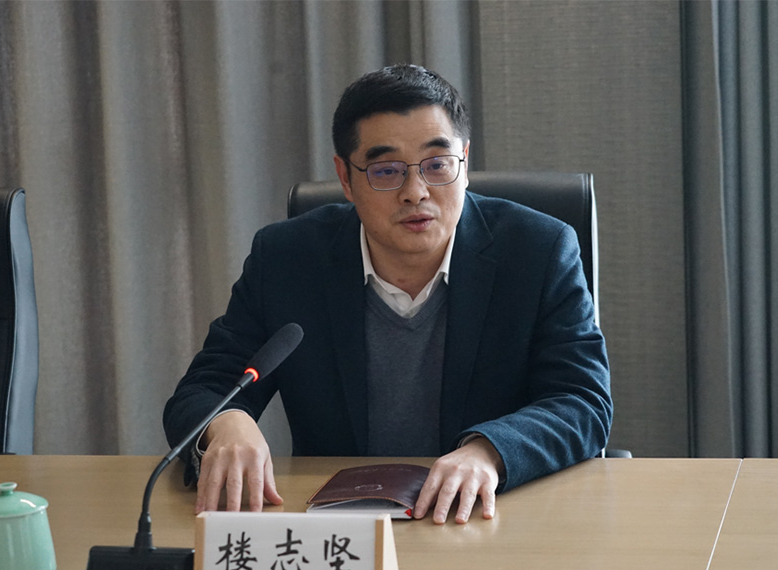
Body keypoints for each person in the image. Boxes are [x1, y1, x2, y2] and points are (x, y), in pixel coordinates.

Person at [163, 64, 612, 525]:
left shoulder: (538, 250)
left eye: (437, 165)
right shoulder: (287, 260)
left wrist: (489, 452)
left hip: (485, 520)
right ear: (345, 178)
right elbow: (204, 389)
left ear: (464, 161)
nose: (416, 193)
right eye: (386, 171)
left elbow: (582, 401)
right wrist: (226, 422)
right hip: (342, 527)